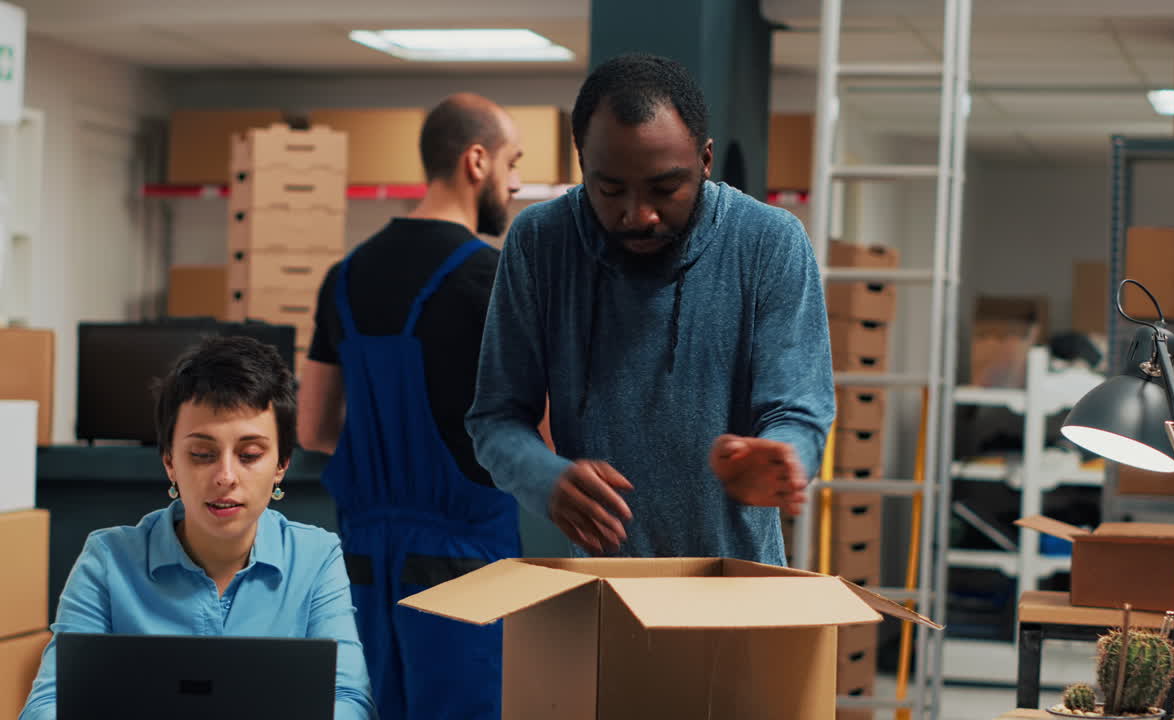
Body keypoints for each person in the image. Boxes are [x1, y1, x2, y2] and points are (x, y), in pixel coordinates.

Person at [466, 53, 836, 565]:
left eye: (666, 188)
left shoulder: (767, 242)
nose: (639, 215)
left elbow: (799, 406)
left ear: (705, 161)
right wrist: (541, 476)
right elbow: (496, 416)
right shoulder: (540, 242)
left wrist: (786, 454)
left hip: (737, 585)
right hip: (599, 590)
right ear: (581, 158)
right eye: (610, 189)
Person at [297, 93, 524, 720]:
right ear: (476, 161)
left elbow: (313, 427)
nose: (516, 181)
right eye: (513, 162)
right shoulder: (494, 279)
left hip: (362, 565)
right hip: (467, 569)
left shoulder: (343, 276)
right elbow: (544, 440)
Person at [19, 335, 375, 720]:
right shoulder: (108, 560)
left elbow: (349, 699)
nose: (225, 476)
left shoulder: (316, 557)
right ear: (170, 462)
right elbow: (48, 703)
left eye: (250, 455)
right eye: (202, 454)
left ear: (281, 465)